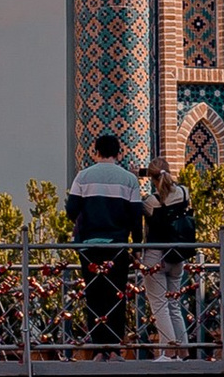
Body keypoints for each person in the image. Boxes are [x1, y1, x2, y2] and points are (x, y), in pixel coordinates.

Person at [65, 134, 146, 352]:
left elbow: (71, 209)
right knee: (116, 296)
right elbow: (136, 216)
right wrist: (136, 244)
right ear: (119, 153)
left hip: (89, 246)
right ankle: (114, 348)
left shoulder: (83, 177)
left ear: (95, 152)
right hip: (117, 247)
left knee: (94, 296)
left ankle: (98, 349)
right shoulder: (129, 179)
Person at [139, 158, 197, 352]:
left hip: (155, 256)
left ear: (151, 177)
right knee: (174, 304)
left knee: (159, 305)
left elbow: (138, 210)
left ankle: (169, 352)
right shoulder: (183, 192)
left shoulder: (151, 202)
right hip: (177, 255)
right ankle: (183, 350)